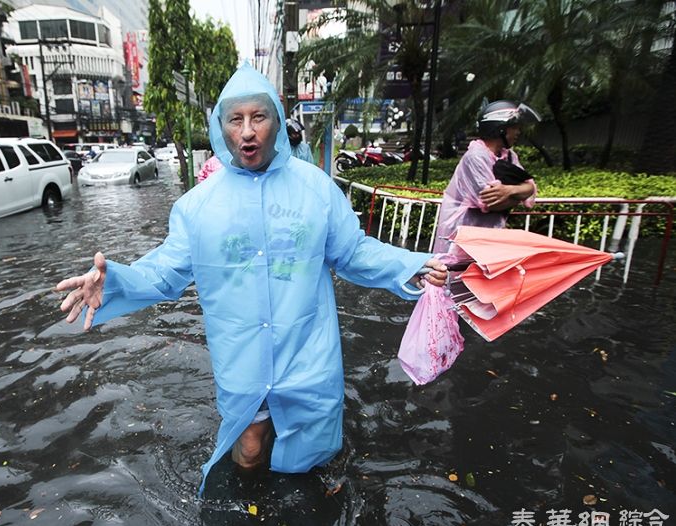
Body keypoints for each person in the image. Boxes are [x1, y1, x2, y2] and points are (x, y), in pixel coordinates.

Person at [56, 63, 447, 494]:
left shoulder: (316, 189)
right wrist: (114, 280)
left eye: (258, 117)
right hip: (241, 353)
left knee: (314, 444)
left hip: (307, 349)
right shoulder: (197, 207)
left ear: (277, 122)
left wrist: (411, 264)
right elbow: (164, 271)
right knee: (249, 443)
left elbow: (352, 251)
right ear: (219, 127)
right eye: (235, 119)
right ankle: (250, 507)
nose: (247, 131)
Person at [432, 100, 541, 256]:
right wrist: (517, 195)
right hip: (461, 235)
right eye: (514, 127)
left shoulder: (509, 156)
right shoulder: (476, 156)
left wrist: (508, 190)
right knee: (455, 276)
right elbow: (491, 203)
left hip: (489, 235)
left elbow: (530, 188)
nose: (518, 132)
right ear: (501, 128)